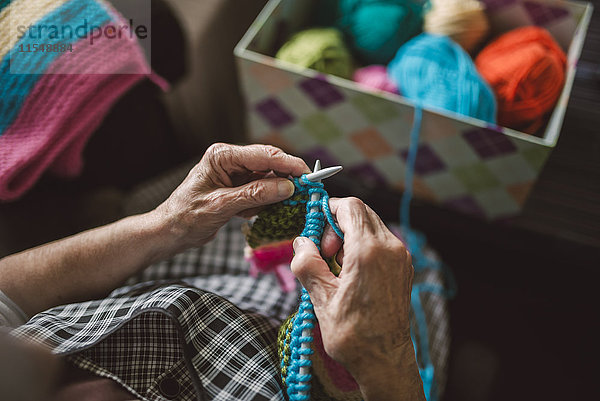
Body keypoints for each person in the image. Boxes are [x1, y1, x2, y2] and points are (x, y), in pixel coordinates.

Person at [0, 143, 425, 401]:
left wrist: (168, 224)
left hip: (221, 287)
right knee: (422, 268)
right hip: (350, 367)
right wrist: (390, 372)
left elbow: (6, 294)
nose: (37, 348)